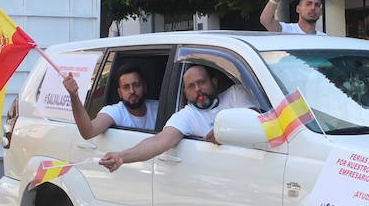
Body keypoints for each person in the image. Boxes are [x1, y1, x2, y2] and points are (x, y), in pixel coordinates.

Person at [100, 64, 254, 173]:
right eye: (191, 86)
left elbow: (256, 118)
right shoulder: (187, 116)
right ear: (185, 92)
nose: (198, 89)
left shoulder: (235, 94)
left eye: (201, 82)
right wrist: (121, 157)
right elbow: (159, 141)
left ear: (213, 82)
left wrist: (226, 131)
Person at [63, 63, 159, 138]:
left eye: (136, 85)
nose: (132, 91)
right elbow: (88, 132)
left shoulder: (158, 108)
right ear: (120, 92)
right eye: (126, 87)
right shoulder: (115, 111)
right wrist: (74, 97)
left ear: (144, 87)